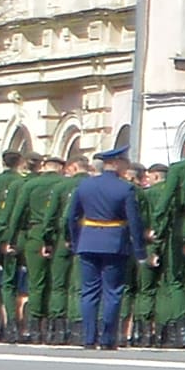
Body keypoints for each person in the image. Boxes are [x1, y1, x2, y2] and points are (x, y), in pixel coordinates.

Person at [65, 148, 138, 349]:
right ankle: (107, 338)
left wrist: (75, 240)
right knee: (112, 292)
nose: (127, 165)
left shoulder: (85, 185)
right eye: (125, 162)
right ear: (116, 163)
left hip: (88, 241)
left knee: (89, 291)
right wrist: (139, 250)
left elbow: (71, 217)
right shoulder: (125, 188)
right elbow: (134, 222)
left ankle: (89, 337)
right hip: (114, 243)